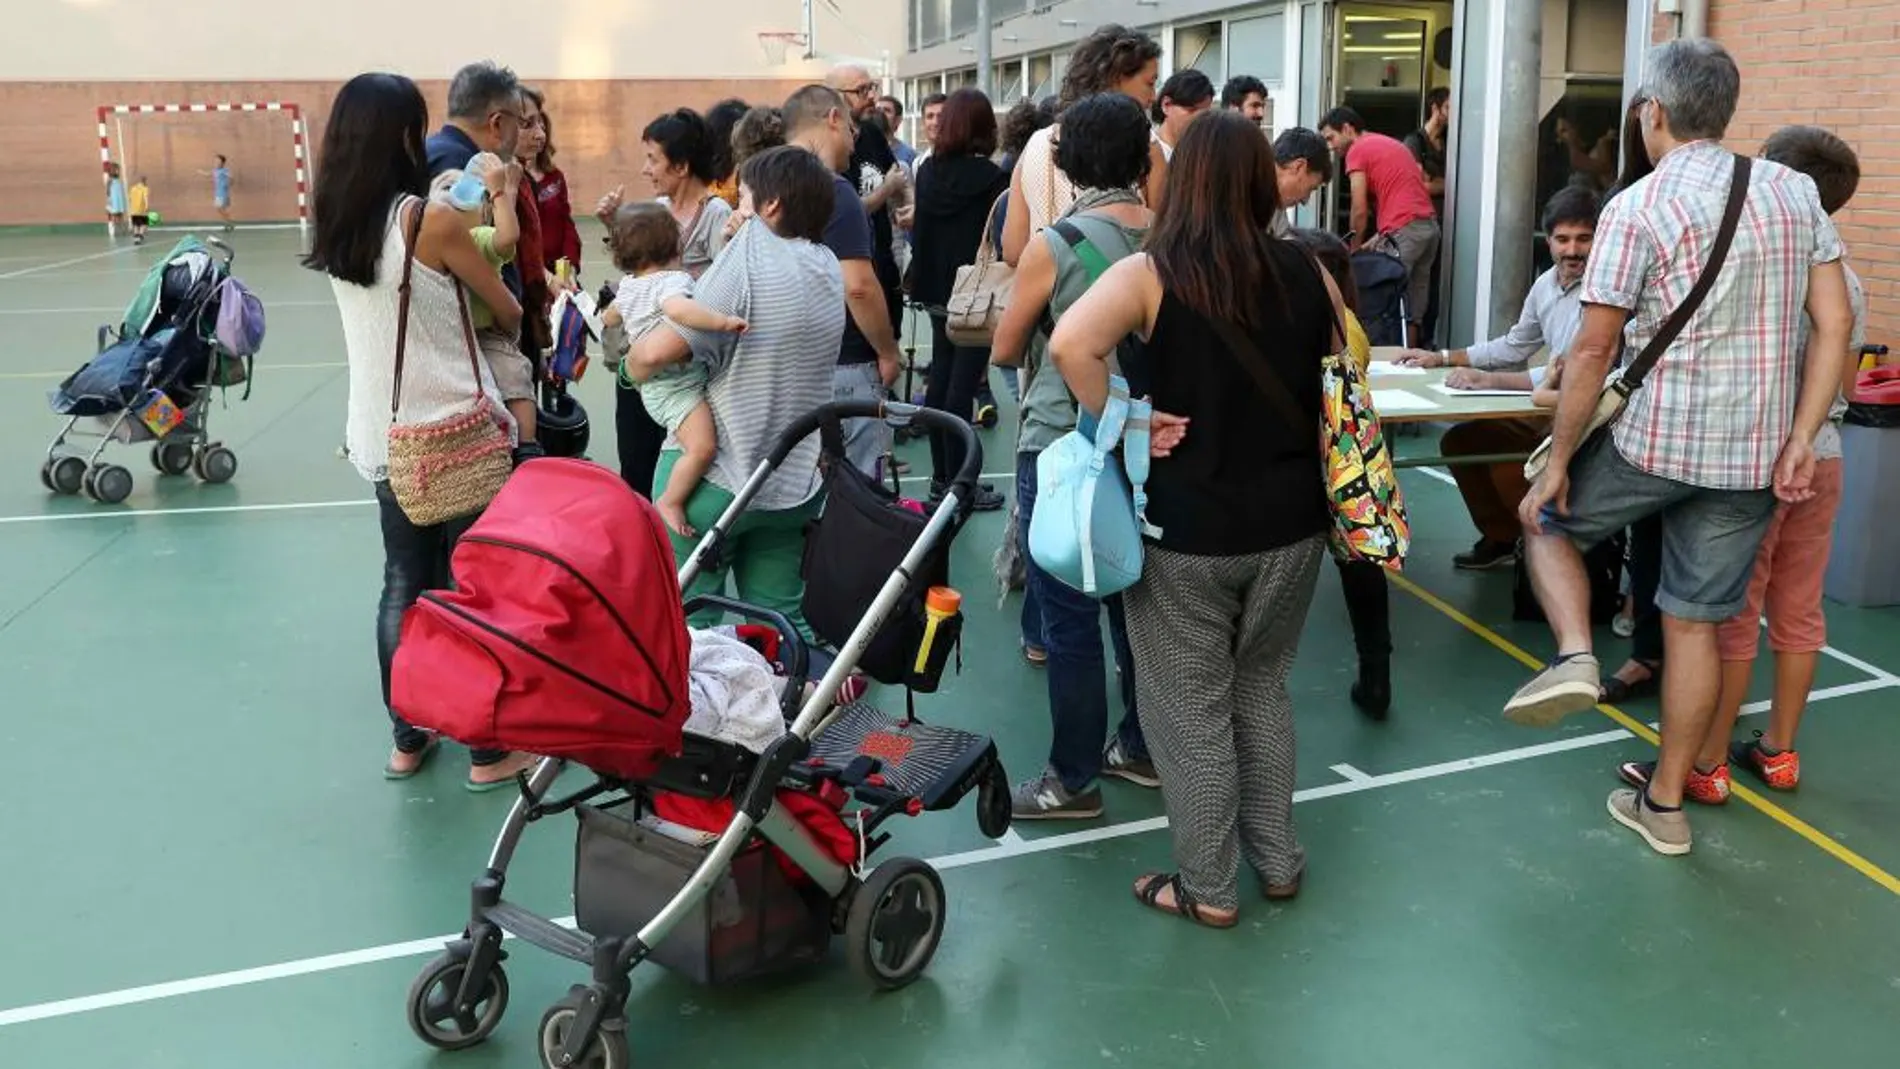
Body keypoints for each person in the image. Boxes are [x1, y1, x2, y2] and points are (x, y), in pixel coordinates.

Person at [1506, 39, 1854, 859]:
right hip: (1756, 455)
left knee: (1545, 520)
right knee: (1697, 623)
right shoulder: (1794, 192)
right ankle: (1665, 805)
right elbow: (1834, 325)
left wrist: (1557, 460)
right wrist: (1804, 438)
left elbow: (1592, 352)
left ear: (1651, 113)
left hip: (1656, 441)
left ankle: (1578, 655)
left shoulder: (1636, 206)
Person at [1049, 110, 1349, 925]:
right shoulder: (1306, 270)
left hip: (1186, 529)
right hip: (1294, 524)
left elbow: (1068, 346)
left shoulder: (1151, 274)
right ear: (1260, 181)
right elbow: (1345, 366)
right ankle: (1277, 859)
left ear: (1179, 183)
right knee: (1263, 689)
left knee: (1189, 709)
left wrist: (1126, 416)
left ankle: (1209, 887)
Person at [1618, 124, 1866, 805]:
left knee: (1724, 615)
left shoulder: (1756, 264)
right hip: (1825, 456)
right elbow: (1840, 379)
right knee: (1800, 609)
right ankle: (1780, 751)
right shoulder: (1846, 276)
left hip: (1753, 459)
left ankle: (1705, 763)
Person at [303, 71, 538, 789]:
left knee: (403, 583)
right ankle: (488, 752)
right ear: (405, 136)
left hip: (381, 435)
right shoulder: (426, 220)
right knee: (474, 589)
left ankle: (407, 737)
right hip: (454, 428)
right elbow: (506, 309)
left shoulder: (337, 220)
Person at [988, 92, 1159, 820]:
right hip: (1153, 441)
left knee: (1068, 617)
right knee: (1139, 608)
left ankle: (1072, 777)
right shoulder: (1174, 239)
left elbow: (1003, 346)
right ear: (1144, 159)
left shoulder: (1054, 245)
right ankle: (1144, 747)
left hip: (1065, 441)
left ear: (1064, 161)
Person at [623, 145, 846, 639]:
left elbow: (661, 351)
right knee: (781, 623)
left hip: (716, 476)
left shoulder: (751, 248)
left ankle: (693, 715)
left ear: (770, 206)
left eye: (743, 196)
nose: (737, 208)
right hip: (792, 482)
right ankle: (796, 704)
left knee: (687, 623)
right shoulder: (828, 265)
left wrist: (631, 364)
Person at [1396, 186, 1601, 569]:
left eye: (1583, 239)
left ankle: (1539, 547)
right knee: (1461, 441)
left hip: (1584, 420)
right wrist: (1441, 356)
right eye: (1562, 239)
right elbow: (1516, 344)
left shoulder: (1604, 291)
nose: (1572, 250)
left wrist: (1491, 381)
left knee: (1513, 464)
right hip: (1548, 407)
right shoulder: (1546, 285)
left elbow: (1574, 369)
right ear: (1549, 240)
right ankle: (1502, 538)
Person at [602, 200, 749, 537]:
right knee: (702, 447)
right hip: (675, 388)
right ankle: (671, 499)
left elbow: (611, 316)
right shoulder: (670, 283)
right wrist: (721, 320)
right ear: (676, 244)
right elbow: (681, 311)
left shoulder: (629, 286)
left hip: (657, 386)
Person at [782, 83, 901, 479]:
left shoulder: (762, 185)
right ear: (832, 119)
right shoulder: (835, 192)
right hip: (843, 359)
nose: (855, 141)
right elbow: (858, 286)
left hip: (784, 362)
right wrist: (887, 350)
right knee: (859, 487)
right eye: (851, 128)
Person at [908, 87, 1009, 511]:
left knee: (940, 381)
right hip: (975, 292)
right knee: (962, 386)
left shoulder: (928, 171)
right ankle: (960, 487)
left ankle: (940, 481)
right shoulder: (992, 179)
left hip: (933, 287)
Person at [428, 154, 540, 459]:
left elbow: (508, 235)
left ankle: (526, 446)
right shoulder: (435, 245)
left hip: (484, 334)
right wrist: (502, 193)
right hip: (449, 338)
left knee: (513, 374)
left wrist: (502, 193)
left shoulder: (476, 240)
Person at [1319, 106, 1439, 346]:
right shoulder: (1389, 143)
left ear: (1347, 129)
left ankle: (1381, 361)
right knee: (1413, 305)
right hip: (1427, 229)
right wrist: (1374, 240)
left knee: (1383, 299)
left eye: (1331, 138)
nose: (1330, 146)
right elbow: (1404, 197)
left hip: (1404, 229)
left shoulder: (1358, 150)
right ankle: (1410, 358)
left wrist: (1351, 248)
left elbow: (1359, 208)